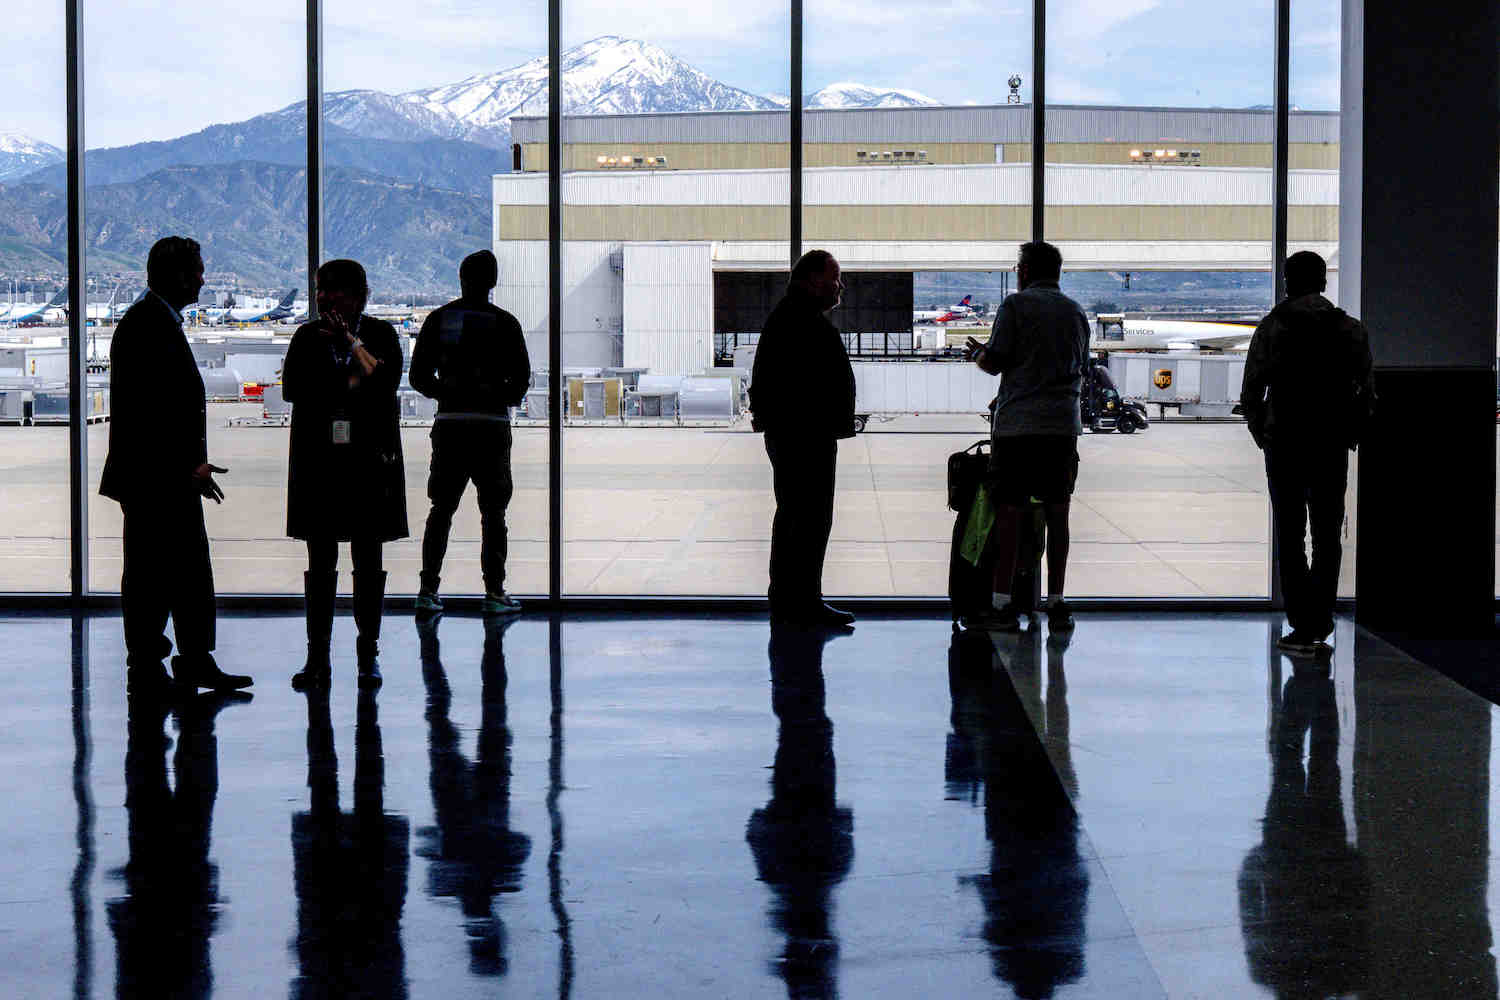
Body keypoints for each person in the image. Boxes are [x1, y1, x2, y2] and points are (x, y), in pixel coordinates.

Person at [100, 235, 252, 693]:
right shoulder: (147, 325)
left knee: (184, 572)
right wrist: (185, 467)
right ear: (178, 276)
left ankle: (191, 658)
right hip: (156, 480)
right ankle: (149, 666)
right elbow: (147, 414)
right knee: (152, 577)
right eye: (199, 271)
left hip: (166, 477)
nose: (204, 279)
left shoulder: (154, 321)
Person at [283, 259, 408, 690]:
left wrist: (352, 347)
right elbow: (293, 389)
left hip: (367, 466)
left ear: (358, 295)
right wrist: (353, 384)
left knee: (368, 560)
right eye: (319, 290)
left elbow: (385, 381)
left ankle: (367, 653)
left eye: (331, 291)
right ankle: (317, 656)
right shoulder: (304, 337)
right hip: (320, 465)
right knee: (320, 562)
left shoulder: (382, 334)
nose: (322, 298)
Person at [1242, 251, 1374, 655]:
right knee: (1327, 534)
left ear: (1287, 282)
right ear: (1322, 281)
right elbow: (1367, 394)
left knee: (1290, 533)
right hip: (1330, 443)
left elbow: (1251, 390)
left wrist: (1261, 431)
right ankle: (1320, 620)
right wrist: (1349, 433)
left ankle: (1300, 622)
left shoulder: (1273, 328)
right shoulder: (1349, 329)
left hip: (1285, 442)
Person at [965, 241, 1090, 632]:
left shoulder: (1015, 307)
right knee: (1058, 514)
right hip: (1061, 427)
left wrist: (978, 355)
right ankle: (1056, 602)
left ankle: (1002, 604)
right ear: (1057, 272)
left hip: (1018, 428)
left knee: (1010, 515)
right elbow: (1081, 366)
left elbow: (995, 361)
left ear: (1023, 271)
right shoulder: (1076, 313)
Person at [409, 250, 531, 616]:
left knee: (441, 509)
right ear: (493, 282)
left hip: (450, 426)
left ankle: (428, 590)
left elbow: (418, 376)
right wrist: (495, 398)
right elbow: (521, 380)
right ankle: (494, 592)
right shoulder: (505, 323)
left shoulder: (439, 319)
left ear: (460, 277)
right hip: (491, 428)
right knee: (494, 513)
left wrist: (447, 394)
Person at [748, 250, 857, 627]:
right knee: (807, 520)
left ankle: (793, 599)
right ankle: (801, 601)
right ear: (812, 281)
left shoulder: (795, 317)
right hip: (804, 437)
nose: (840, 285)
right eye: (835, 277)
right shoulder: (798, 321)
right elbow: (794, 385)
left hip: (803, 434)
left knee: (799, 518)